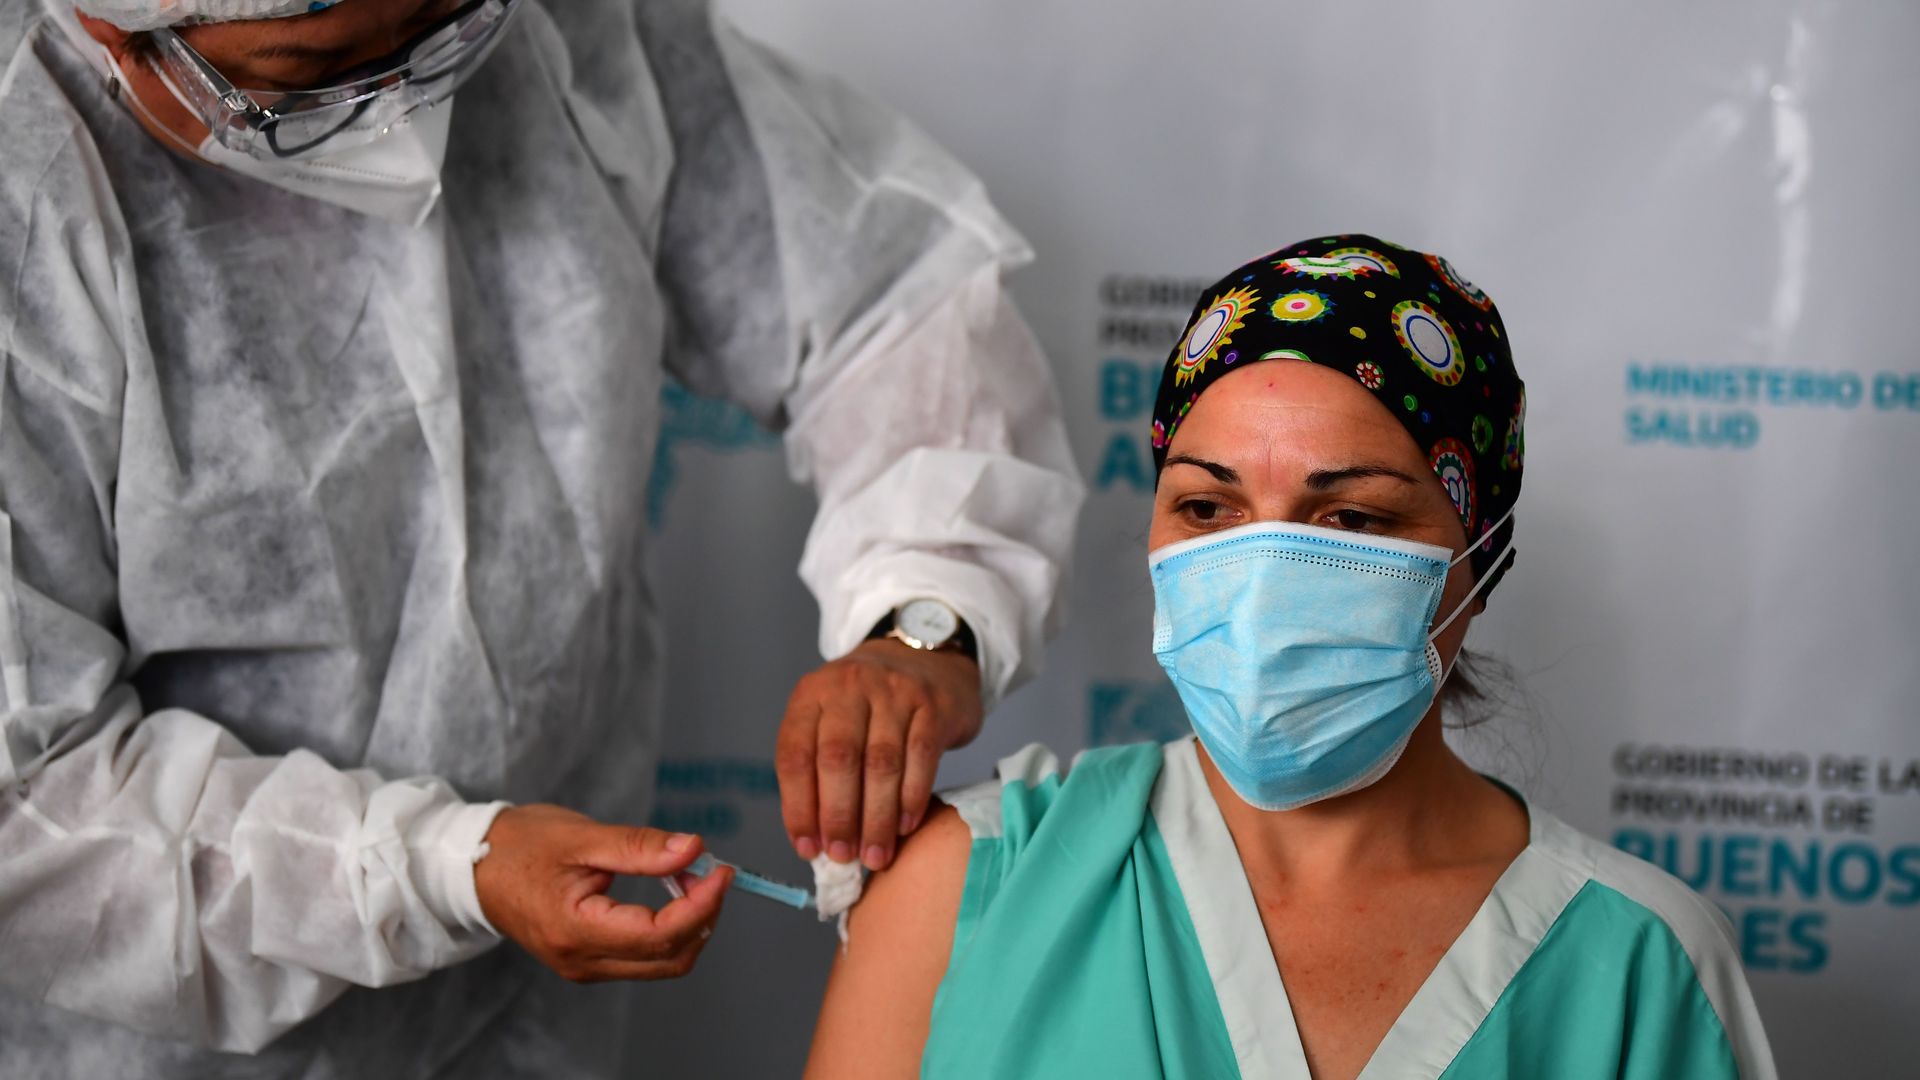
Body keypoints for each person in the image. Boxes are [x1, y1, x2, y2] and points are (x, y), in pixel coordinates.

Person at [0, 0, 1083, 1074]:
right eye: (311, 71)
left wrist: (926, 616)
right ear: (111, 21)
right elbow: (27, 806)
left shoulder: (572, 29)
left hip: (523, 1028)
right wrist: (432, 867)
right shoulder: (25, 198)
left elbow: (891, 295)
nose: (405, 115)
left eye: (446, 25)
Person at [807, 235, 1778, 1080]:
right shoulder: (976, 885)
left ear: (1479, 563)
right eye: (1206, 508)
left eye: (1350, 518)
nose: (1264, 575)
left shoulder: (1644, 971)